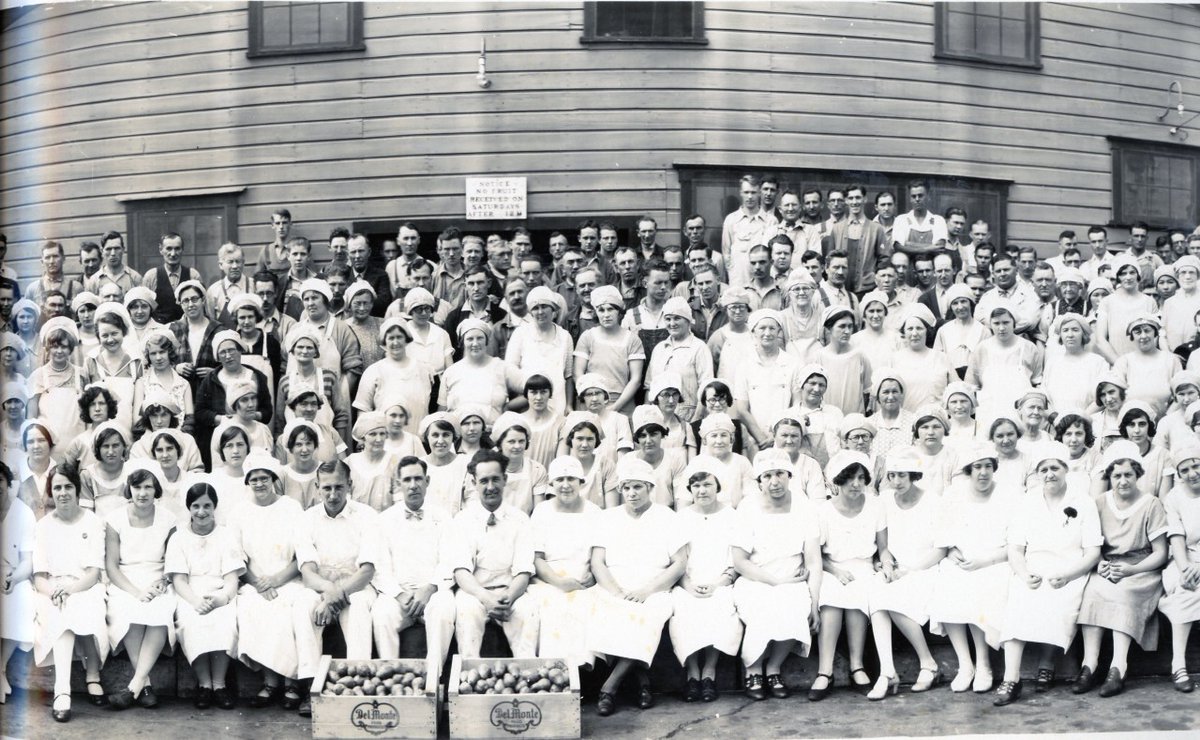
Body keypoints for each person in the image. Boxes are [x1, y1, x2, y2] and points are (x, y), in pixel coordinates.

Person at [994, 442, 1103, 706]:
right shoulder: (1028, 501)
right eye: (1043, 469)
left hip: (1071, 569)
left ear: (1066, 469)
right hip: (1033, 568)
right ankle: (1012, 678)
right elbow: (1016, 548)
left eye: (1055, 468)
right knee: (1020, 600)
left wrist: (1068, 575)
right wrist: (1023, 573)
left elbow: (1092, 552)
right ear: (1037, 474)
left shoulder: (1083, 501)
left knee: (1058, 599)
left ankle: (1048, 663)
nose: (1049, 474)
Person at [588, 456, 687, 716]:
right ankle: (642, 681)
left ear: (650, 488)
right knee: (610, 611)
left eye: (638, 487)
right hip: (613, 587)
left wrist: (647, 591)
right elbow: (598, 562)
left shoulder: (667, 516)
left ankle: (610, 686)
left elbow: (679, 564)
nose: (631, 493)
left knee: (647, 614)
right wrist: (617, 592)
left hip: (654, 588)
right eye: (626, 487)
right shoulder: (607, 518)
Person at [1074, 449, 1168, 698]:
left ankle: (1118, 666)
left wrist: (1132, 569)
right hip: (1108, 566)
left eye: (1128, 474)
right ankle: (1089, 664)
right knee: (1091, 590)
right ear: (1110, 477)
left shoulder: (1151, 504)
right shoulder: (1100, 503)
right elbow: (1091, 544)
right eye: (1117, 476)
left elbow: (1160, 553)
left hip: (1141, 569)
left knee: (1124, 593)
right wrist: (1101, 563)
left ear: (1137, 474)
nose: (1123, 481)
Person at [733, 449, 822, 701]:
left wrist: (815, 603)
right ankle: (753, 670)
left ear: (789, 475)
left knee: (796, 605)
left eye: (780, 474)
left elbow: (814, 561)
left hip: (793, 579)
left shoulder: (804, 506)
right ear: (759, 480)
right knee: (763, 607)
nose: (774, 482)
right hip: (756, 579)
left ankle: (773, 668)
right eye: (768, 476)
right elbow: (739, 561)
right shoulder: (748, 507)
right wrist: (774, 581)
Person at [293, 459, 380, 716]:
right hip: (320, 587)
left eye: (339, 488)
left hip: (356, 587)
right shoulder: (307, 519)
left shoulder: (367, 516)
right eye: (327, 488)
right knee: (302, 606)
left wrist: (334, 596)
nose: (332, 495)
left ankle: (357, 683)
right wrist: (327, 592)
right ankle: (310, 686)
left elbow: (367, 571)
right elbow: (307, 572)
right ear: (317, 487)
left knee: (359, 609)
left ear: (350, 486)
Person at [929, 442, 1016, 694]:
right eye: (977, 467)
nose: (983, 472)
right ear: (968, 471)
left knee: (983, 587)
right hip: (962, 559)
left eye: (988, 466)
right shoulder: (954, 495)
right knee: (949, 581)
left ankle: (984, 664)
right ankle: (965, 665)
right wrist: (951, 550)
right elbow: (942, 531)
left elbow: (1016, 542)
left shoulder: (1008, 495)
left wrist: (985, 561)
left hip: (997, 561)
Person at [867, 447, 946, 700]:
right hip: (897, 569)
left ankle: (928, 663)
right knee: (878, 594)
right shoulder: (885, 501)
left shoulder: (933, 500)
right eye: (892, 476)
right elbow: (884, 546)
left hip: (927, 569)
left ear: (913, 475)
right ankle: (887, 670)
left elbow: (941, 549)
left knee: (889, 599)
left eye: (902, 475)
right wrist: (888, 565)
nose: (896, 481)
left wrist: (911, 570)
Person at [231, 454, 308, 710]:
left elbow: (302, 556)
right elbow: (235, 557)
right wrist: (258, 584)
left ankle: (291, 683)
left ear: (273, 479)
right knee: (251, 609)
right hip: (254, 584)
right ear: (248, 482)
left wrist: (276, 580)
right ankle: (270, 681)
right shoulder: (239, 511)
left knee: (288, 608)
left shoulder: (291, 507)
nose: (259, 483)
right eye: (254, 479)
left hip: (289, 579)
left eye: (264, 478)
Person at [33, 467, 110, 722]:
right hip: (52, 590)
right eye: (57, 488)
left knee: (80, 607)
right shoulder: (43, 526)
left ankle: (92, 676)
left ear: (77, 490)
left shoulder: (93, 522)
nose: (63, 493)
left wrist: (70, 589)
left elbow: (93, 573)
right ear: (51, 493)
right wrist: (54, 591)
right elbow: (39, 576)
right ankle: (62, 692)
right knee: (60, 613)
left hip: (85, 586)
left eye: (68, 487)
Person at [447, 449, 539, 658]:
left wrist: (508, 597)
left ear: (505, 479)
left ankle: (526, 678)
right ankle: (467, 679)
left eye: (496, 479)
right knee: (467, 612)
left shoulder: (520, 519)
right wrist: (485, 598)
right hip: (475, 593)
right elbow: (461, 572)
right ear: (474, 483)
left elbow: (523, 570)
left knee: (528, 611)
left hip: (511, 592)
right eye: (484, 481)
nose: (490, 487)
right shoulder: (463, 520)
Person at [809, 450, 884, 699]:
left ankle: (857, 666)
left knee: (858, 596)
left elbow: (882, 549)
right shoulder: (823, 510)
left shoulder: (875, 506)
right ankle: (825, 671)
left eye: (862, 478)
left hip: (863, 566)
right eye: (850, 478)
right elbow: (815, 554)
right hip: (831, 567)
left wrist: (883, 563)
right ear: (838, 481)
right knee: (830, 599)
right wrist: (836, 570)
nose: (856, 484)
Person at [668, 457, 743, 703]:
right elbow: (676, 560)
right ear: (690, 489)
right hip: (687, 582)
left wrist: (719, 582)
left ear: (718, 487)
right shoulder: (681, 518)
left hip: (721, 581)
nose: (702, 490)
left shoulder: (731, 516)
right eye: (696, 486)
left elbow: (735, 560)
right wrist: (687, 585)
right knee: (684, 610)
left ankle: (709, 672)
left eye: (708, 485)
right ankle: (692, 673)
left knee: (720, 606)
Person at [371, 456, 457, 669]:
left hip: (433, 592)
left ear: (427, 481)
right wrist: (398, 594)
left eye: (418, 479)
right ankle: (391, 677)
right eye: (407, 480)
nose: (413, 485)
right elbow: (379, 566)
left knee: (443, 611)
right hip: (399, 595)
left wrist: (430, 588)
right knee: (381, 615)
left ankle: (433, 678)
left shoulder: (443, 517)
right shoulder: (384, 520)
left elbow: (450, 560)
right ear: (399, 484)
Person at [163, 481, 241, 710]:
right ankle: (204, 685)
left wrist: (222, 599)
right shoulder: (179, 537)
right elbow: (178, 580)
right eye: (196, 506)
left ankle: (219, 685)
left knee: (224, 620)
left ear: (214, 507)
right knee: (191, 622)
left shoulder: (226, 535)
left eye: (207, 505)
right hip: (189, 594)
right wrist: (196, 601)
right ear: (189, 508)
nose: (201, 512)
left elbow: (232, 579)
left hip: (221, 593)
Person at [526, 455, 602, 669]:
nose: (566, 485)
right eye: (560, 480)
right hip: (548, 580)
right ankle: (555, 671)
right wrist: (559, 582)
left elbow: (599, 555)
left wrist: (593, 577)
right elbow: (537, 558)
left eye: (571, 479)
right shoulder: (542, 511)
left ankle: (581, 672)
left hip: (584, 581)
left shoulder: (595, 513)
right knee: (553, 606)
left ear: (581, 482)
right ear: (552, 483)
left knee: (586, 604)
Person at [1159, 444, 1200, 693]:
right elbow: (1176, 537)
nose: (1192, 473)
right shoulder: (1174, 497)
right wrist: (1187, 568)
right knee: (1186, 589)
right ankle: (1178, 664)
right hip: (1183, 559)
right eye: (1184, 470)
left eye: (1196, 466)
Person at [353, 317, 430, 436]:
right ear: (384, 342)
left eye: (399, 337)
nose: (395, 342)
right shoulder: (374, 371)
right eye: (391, 338)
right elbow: (363, 410)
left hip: (418, 441)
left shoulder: (423, 369)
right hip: (385, 443)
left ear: (406, 339)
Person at [573, 285, 645, 414]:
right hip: (591, 401)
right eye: (601, 310)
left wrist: (615, 407)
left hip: (622, 403)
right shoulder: (588, 337)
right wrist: (590, 399)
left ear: (618, 311)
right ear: (596, 313)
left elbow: (636, 380)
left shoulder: (632, 339)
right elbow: (578, 373)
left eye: (610, 309)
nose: (606, 315)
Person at [276, 325, 350, 447]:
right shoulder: (285, 381)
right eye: (300, 347)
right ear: (292, 351)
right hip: (295, 446)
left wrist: (337, 445)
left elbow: (341, 415)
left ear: (316, 352)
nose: (304, 351)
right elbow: (280, 421)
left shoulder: (329, 377)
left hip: (325, 443)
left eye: (309, 347)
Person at [506, 286, 575, 415]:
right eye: (535, 308)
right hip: (529, 401)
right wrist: (529, 391)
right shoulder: (521, 333)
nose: (540, 312)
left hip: (558, 401)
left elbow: (568, 375)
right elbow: (510, 369)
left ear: (553, 310)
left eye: (544, 307)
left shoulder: (565, 336)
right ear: (531, 312)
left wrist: (569, 405)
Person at [645, 296, 713, 422]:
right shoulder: (659, 349)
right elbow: (649, 387)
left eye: (677, 318)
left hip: (689, 417)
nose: (672, 323)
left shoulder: (699, 348)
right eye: (668, 319)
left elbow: (706, 389)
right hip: (659, 419)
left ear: (688, 320)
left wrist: (695, 421)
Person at [439, 319, 524, 419]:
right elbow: (442, 410)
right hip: (459, 431)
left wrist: (509, 407)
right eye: (470, 339)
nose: (475, 343)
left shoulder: (501, 367)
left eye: (480, 338)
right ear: (462, 342)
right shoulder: (451, 372)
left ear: (487, 340)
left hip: (492, 431)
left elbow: (533, 388)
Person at [0, 462, 34, 703]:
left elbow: (28, 561)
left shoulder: (23, 514)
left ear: (8, 484)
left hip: (14, 574)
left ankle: (1, 668)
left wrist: (13, 578)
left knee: (20, 598)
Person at [1114, 314, 1181, 418]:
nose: (1143, 336)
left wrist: (1166, 420)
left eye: (1147, 330)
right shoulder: (1124, 362)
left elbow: (1181, 393)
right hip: (1132, 423)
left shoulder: (1171, 360)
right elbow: (1116, 396)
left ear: (1155, 333)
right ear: (1132, 336)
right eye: (1138, 332)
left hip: (1165, 419)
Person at [891, 303, 954, 414]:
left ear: (927, 330)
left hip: (936, 422)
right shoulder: (895, 359)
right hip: (906, 421)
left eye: (919, 328)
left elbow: (956, 389)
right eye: (910, 329)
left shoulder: (941, 357)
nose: (914, 333)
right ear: (904, 332)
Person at [1043, 313, 1111, 413]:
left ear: (1083, 334)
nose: (1070, 335)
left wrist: (1081, 418)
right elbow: (1044, 397)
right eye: (1065, 330)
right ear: (1060, 335)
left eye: (1075, 330)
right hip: (1056, 422)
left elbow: (1103, 397)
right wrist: (1055, 419)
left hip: (1087, 422)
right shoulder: (1052, 362)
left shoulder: (1098, 362)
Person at [491, 412, 547, 514]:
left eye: (521, 441)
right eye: (511, 441)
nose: (517, 446)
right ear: (500, 444)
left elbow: (539, 513)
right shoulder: (489, 468)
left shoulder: (536, 470)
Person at [419, 412, 470, 516]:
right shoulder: (419, 465)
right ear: (427, 437)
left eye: (446, 435)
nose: (440, 441)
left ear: (453, 437)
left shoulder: (465, 464)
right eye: (435, 435)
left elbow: (471, 500)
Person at [868, 369, 915, 458]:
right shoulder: (869, 423)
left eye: (894, 391)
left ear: (902, 395)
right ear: (878, 396)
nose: (890, 396)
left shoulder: (913, 421)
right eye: (885, 392)